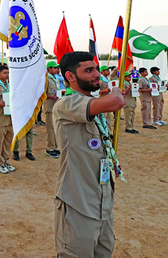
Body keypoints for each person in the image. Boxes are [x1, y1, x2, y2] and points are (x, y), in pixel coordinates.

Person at [53, 51, 126, 258]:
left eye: (96, 68)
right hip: (78, 202)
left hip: (101, 198)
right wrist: (115, 91)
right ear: (70, 77)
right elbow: (116, 102)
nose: (97, 74)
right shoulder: (66, 104)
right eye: (89, 70)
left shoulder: (91, 103)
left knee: (104, 253)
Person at [44, 62, 61, 158]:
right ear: (49, 69)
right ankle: (50, 148)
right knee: (50, 128)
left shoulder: (56, 78)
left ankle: (56, 147)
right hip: (50, 107)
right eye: (54, 68)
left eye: (57, 68)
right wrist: (51, 97)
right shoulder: (46, 79)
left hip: (56, 107)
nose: (56, 69)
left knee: (56, 128)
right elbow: (43, 94)